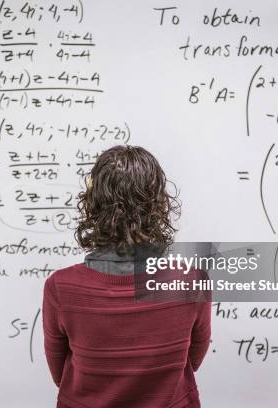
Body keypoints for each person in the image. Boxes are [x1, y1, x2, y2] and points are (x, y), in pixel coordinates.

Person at [42, 145, 211, 407]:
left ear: (93, 202)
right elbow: (193, 360)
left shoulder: (61, 288)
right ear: (158, 204)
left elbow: (59, 373)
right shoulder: (191, 281)